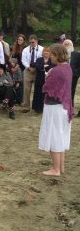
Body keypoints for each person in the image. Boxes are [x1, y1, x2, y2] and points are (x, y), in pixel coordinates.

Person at [39, 44, 73, 176]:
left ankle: (56, 169)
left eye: (52, 53)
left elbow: (46, 88)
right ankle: (61, 167)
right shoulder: (67, 68)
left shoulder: (57, 70)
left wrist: (48, 76)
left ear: (57, 55)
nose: (50, 56)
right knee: (61, 136)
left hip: (55, 108)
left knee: (54, 137)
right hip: (64, 107)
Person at [21, 35, 44, 112]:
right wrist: (28, 67)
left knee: (38, 89)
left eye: (33, 42)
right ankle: (26, 106)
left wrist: (36, 68)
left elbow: (43, 59)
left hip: (38, 71)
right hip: (28, 70)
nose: (32, 43)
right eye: (30, 42)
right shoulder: (25, 50)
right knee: (26, 89)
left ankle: (37, 106)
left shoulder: (42, 49)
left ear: (37, 41)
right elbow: (23, 60)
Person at [32, 47, 54, 113]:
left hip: (49, 80)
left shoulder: (52, 60)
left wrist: (43, 67)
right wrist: (44, 67)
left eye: (47, 51)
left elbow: (53, 67)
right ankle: (38, 108)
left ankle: (46, 108)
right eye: (44, 51)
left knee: (47, 94)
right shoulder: (39, 59)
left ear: (50, 53)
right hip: (39, 79)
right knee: (38, 93)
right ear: (42, 53)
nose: (46, 53)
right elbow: (36, 66)